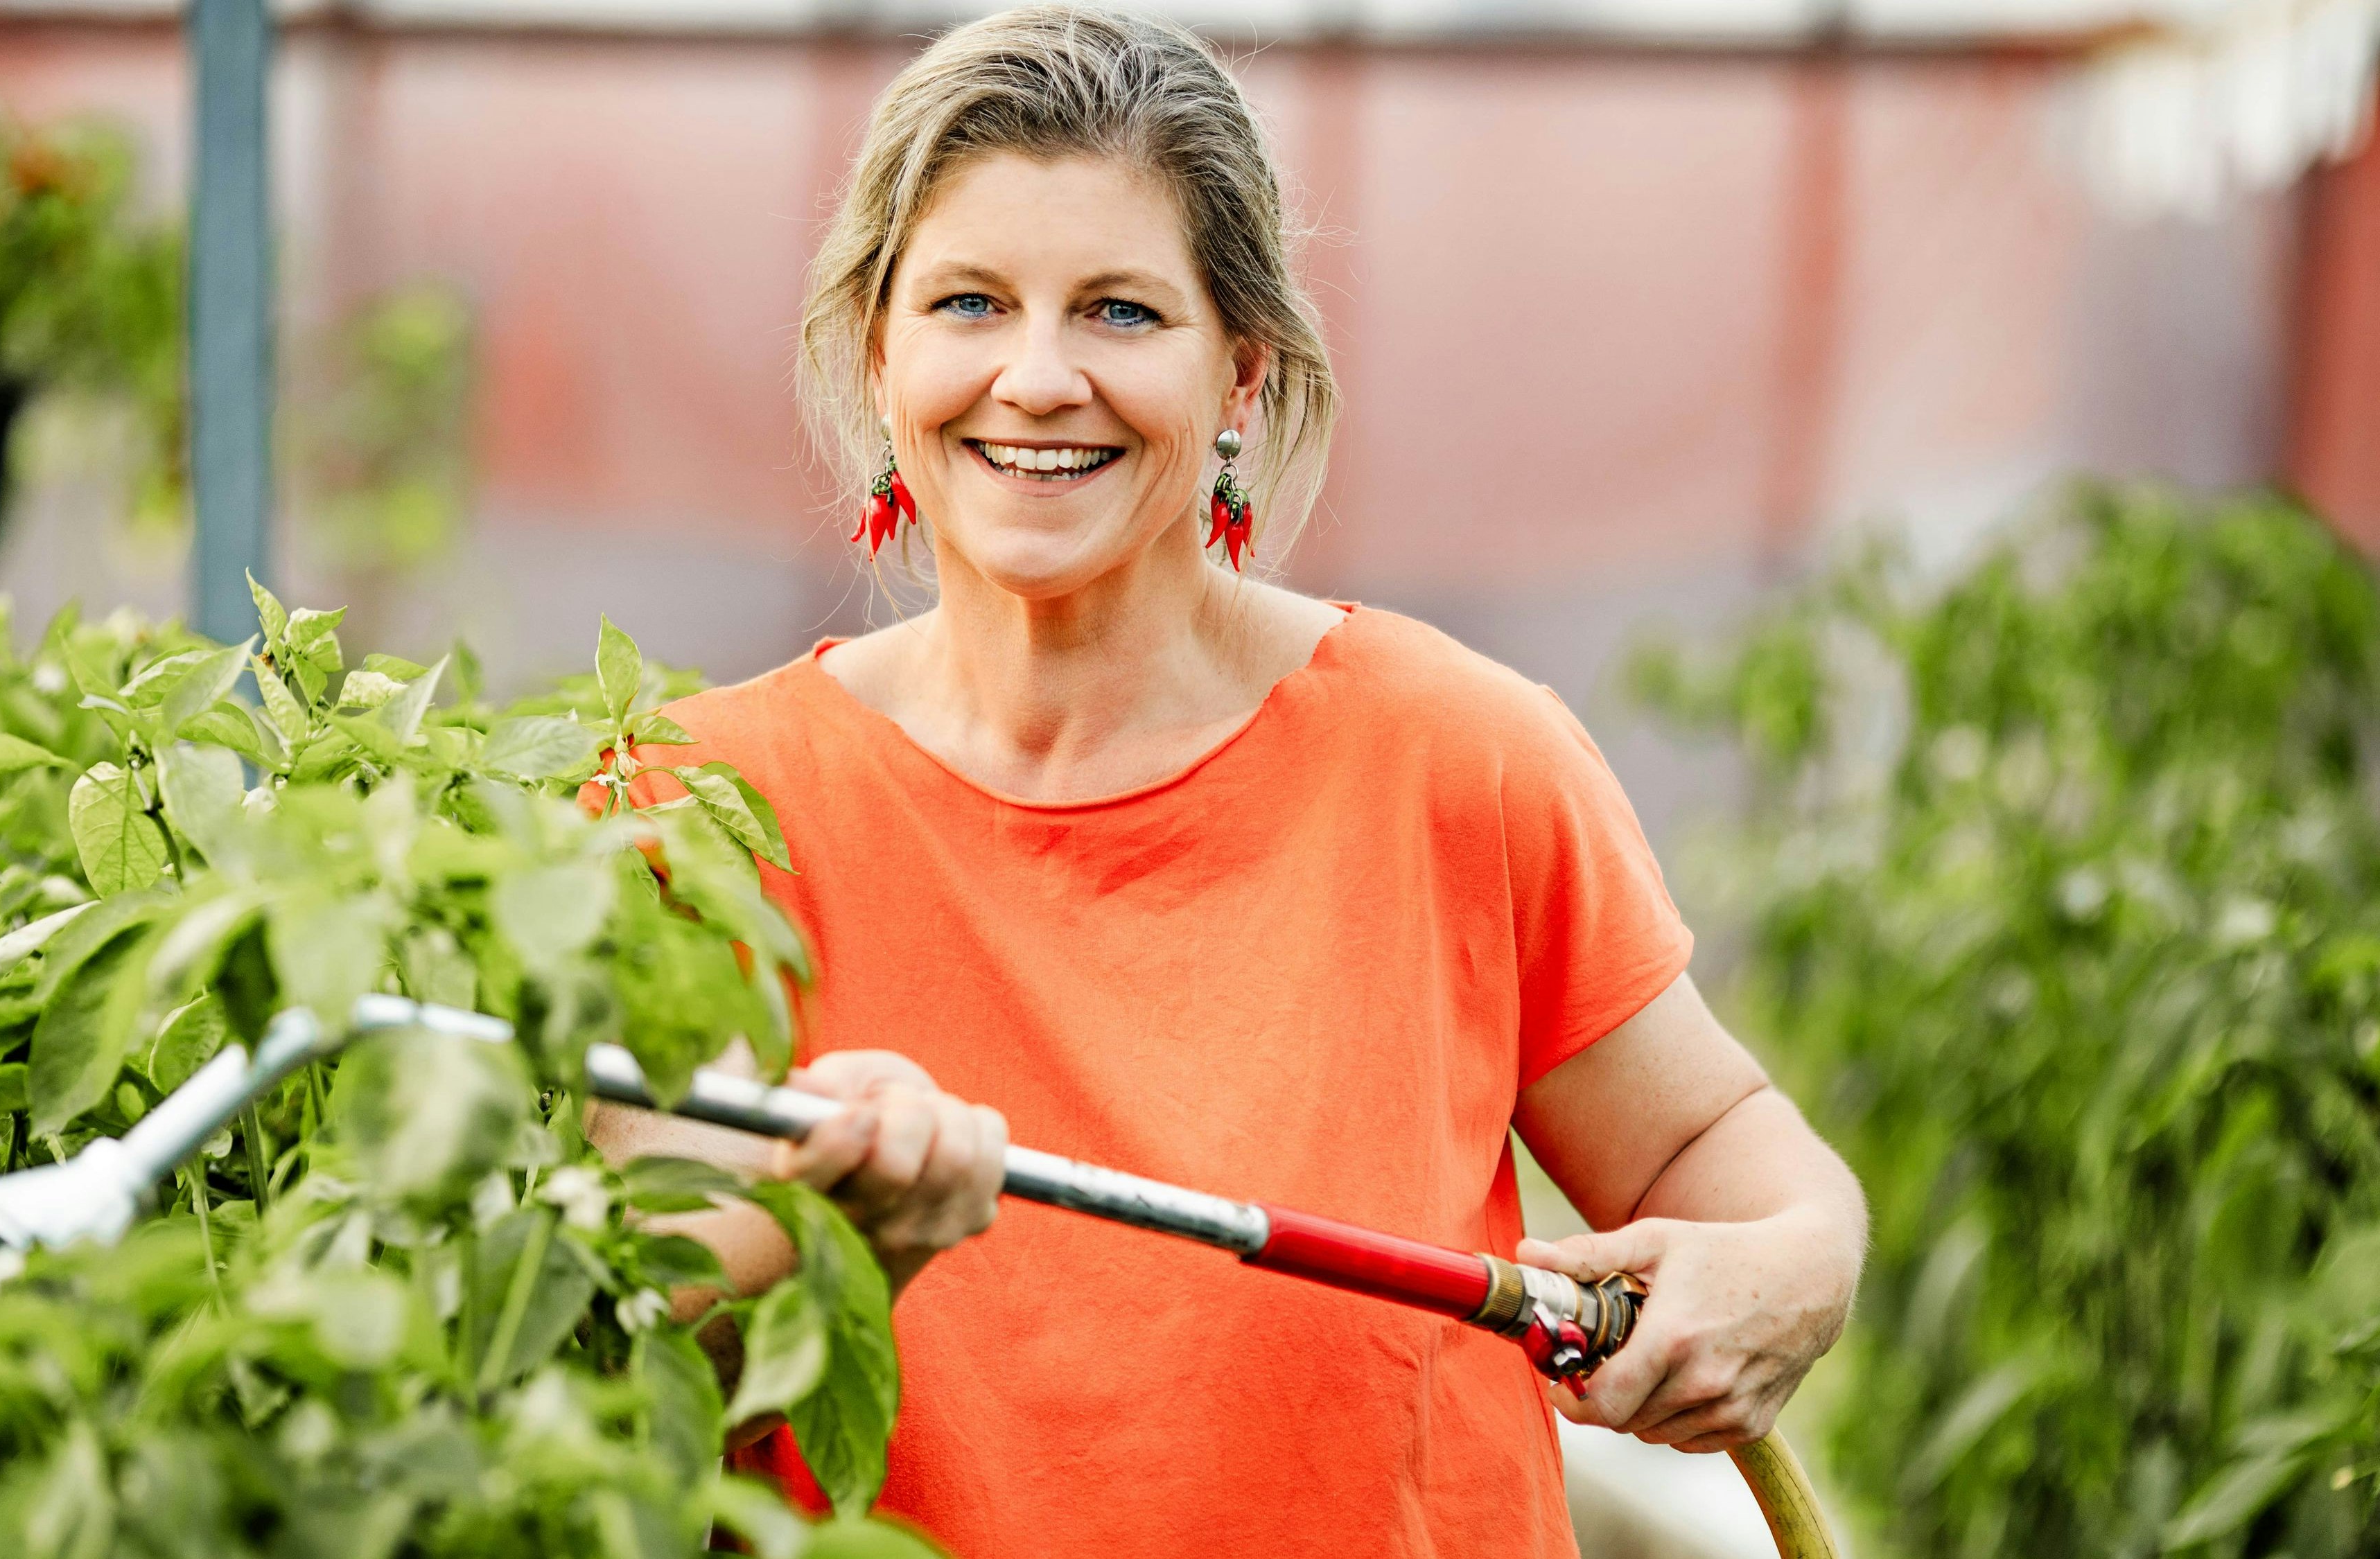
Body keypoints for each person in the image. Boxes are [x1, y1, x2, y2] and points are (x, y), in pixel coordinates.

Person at [590, 8, 1868, 1554]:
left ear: (1241, 376)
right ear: (881, 353)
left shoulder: (1451, 755)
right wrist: (821, 1239)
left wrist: (1796, 1264)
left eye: (1121, 312)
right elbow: (618, 1377)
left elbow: (1714, 1152)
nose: (1037, 377)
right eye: (969, 303)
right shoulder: (690, 806)